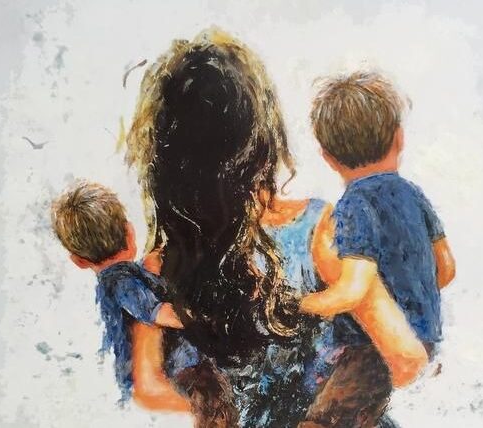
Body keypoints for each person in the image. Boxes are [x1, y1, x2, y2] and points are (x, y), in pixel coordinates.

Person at [126, 28, 428, 427]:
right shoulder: (319, 229)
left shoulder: (157, 269)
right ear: (262, 140)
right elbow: (405, 359)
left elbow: (148, 386)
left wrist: (234, 406)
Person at [50, 181, 238, 426]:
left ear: (79, 261)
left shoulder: (121, 279)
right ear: (130, 233)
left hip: (173, 368)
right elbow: (161, 313)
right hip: (179, 371)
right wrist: (205, 315)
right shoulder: (120, 282)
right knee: (217, 406)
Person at [300, 71, 456, 361]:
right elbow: (446, 268)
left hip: (372, 352)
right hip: (427, 340)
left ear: (328, 158)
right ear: (399, 138)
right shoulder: (413, 194)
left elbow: (352, 291)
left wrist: (302, 304)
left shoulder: (354, 206)